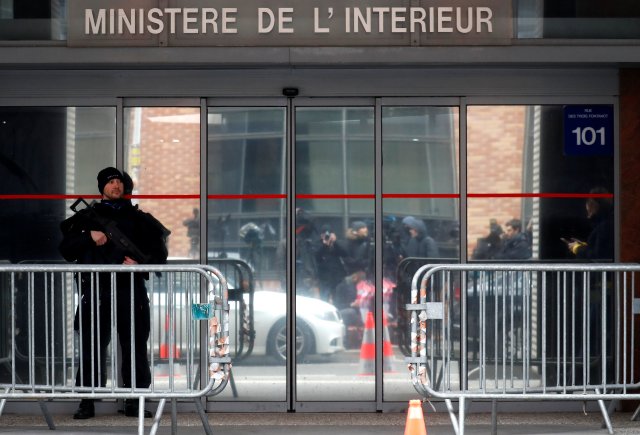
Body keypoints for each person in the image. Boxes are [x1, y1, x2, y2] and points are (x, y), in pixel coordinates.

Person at [59, 167, 169, 419]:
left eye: (119, 182)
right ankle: (87, 401)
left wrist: (143, 265)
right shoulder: (88, 217)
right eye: (110, 183)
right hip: (96, 290)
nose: (115, 186)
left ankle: (135, 400)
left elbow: (159, 253)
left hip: (131, 290)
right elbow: (66, 249)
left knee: (134, 346)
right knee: (92, 347)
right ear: (102, 188)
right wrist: (89, 236)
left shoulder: (139, 219)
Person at [565, 187, 614, 260]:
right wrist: (585, 246)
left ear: (595, 205)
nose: (587, 206)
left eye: (589, 202)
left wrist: (578, 248)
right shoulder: (606, 224)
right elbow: (600, 250)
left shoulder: (604, 227)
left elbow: (598, 257)